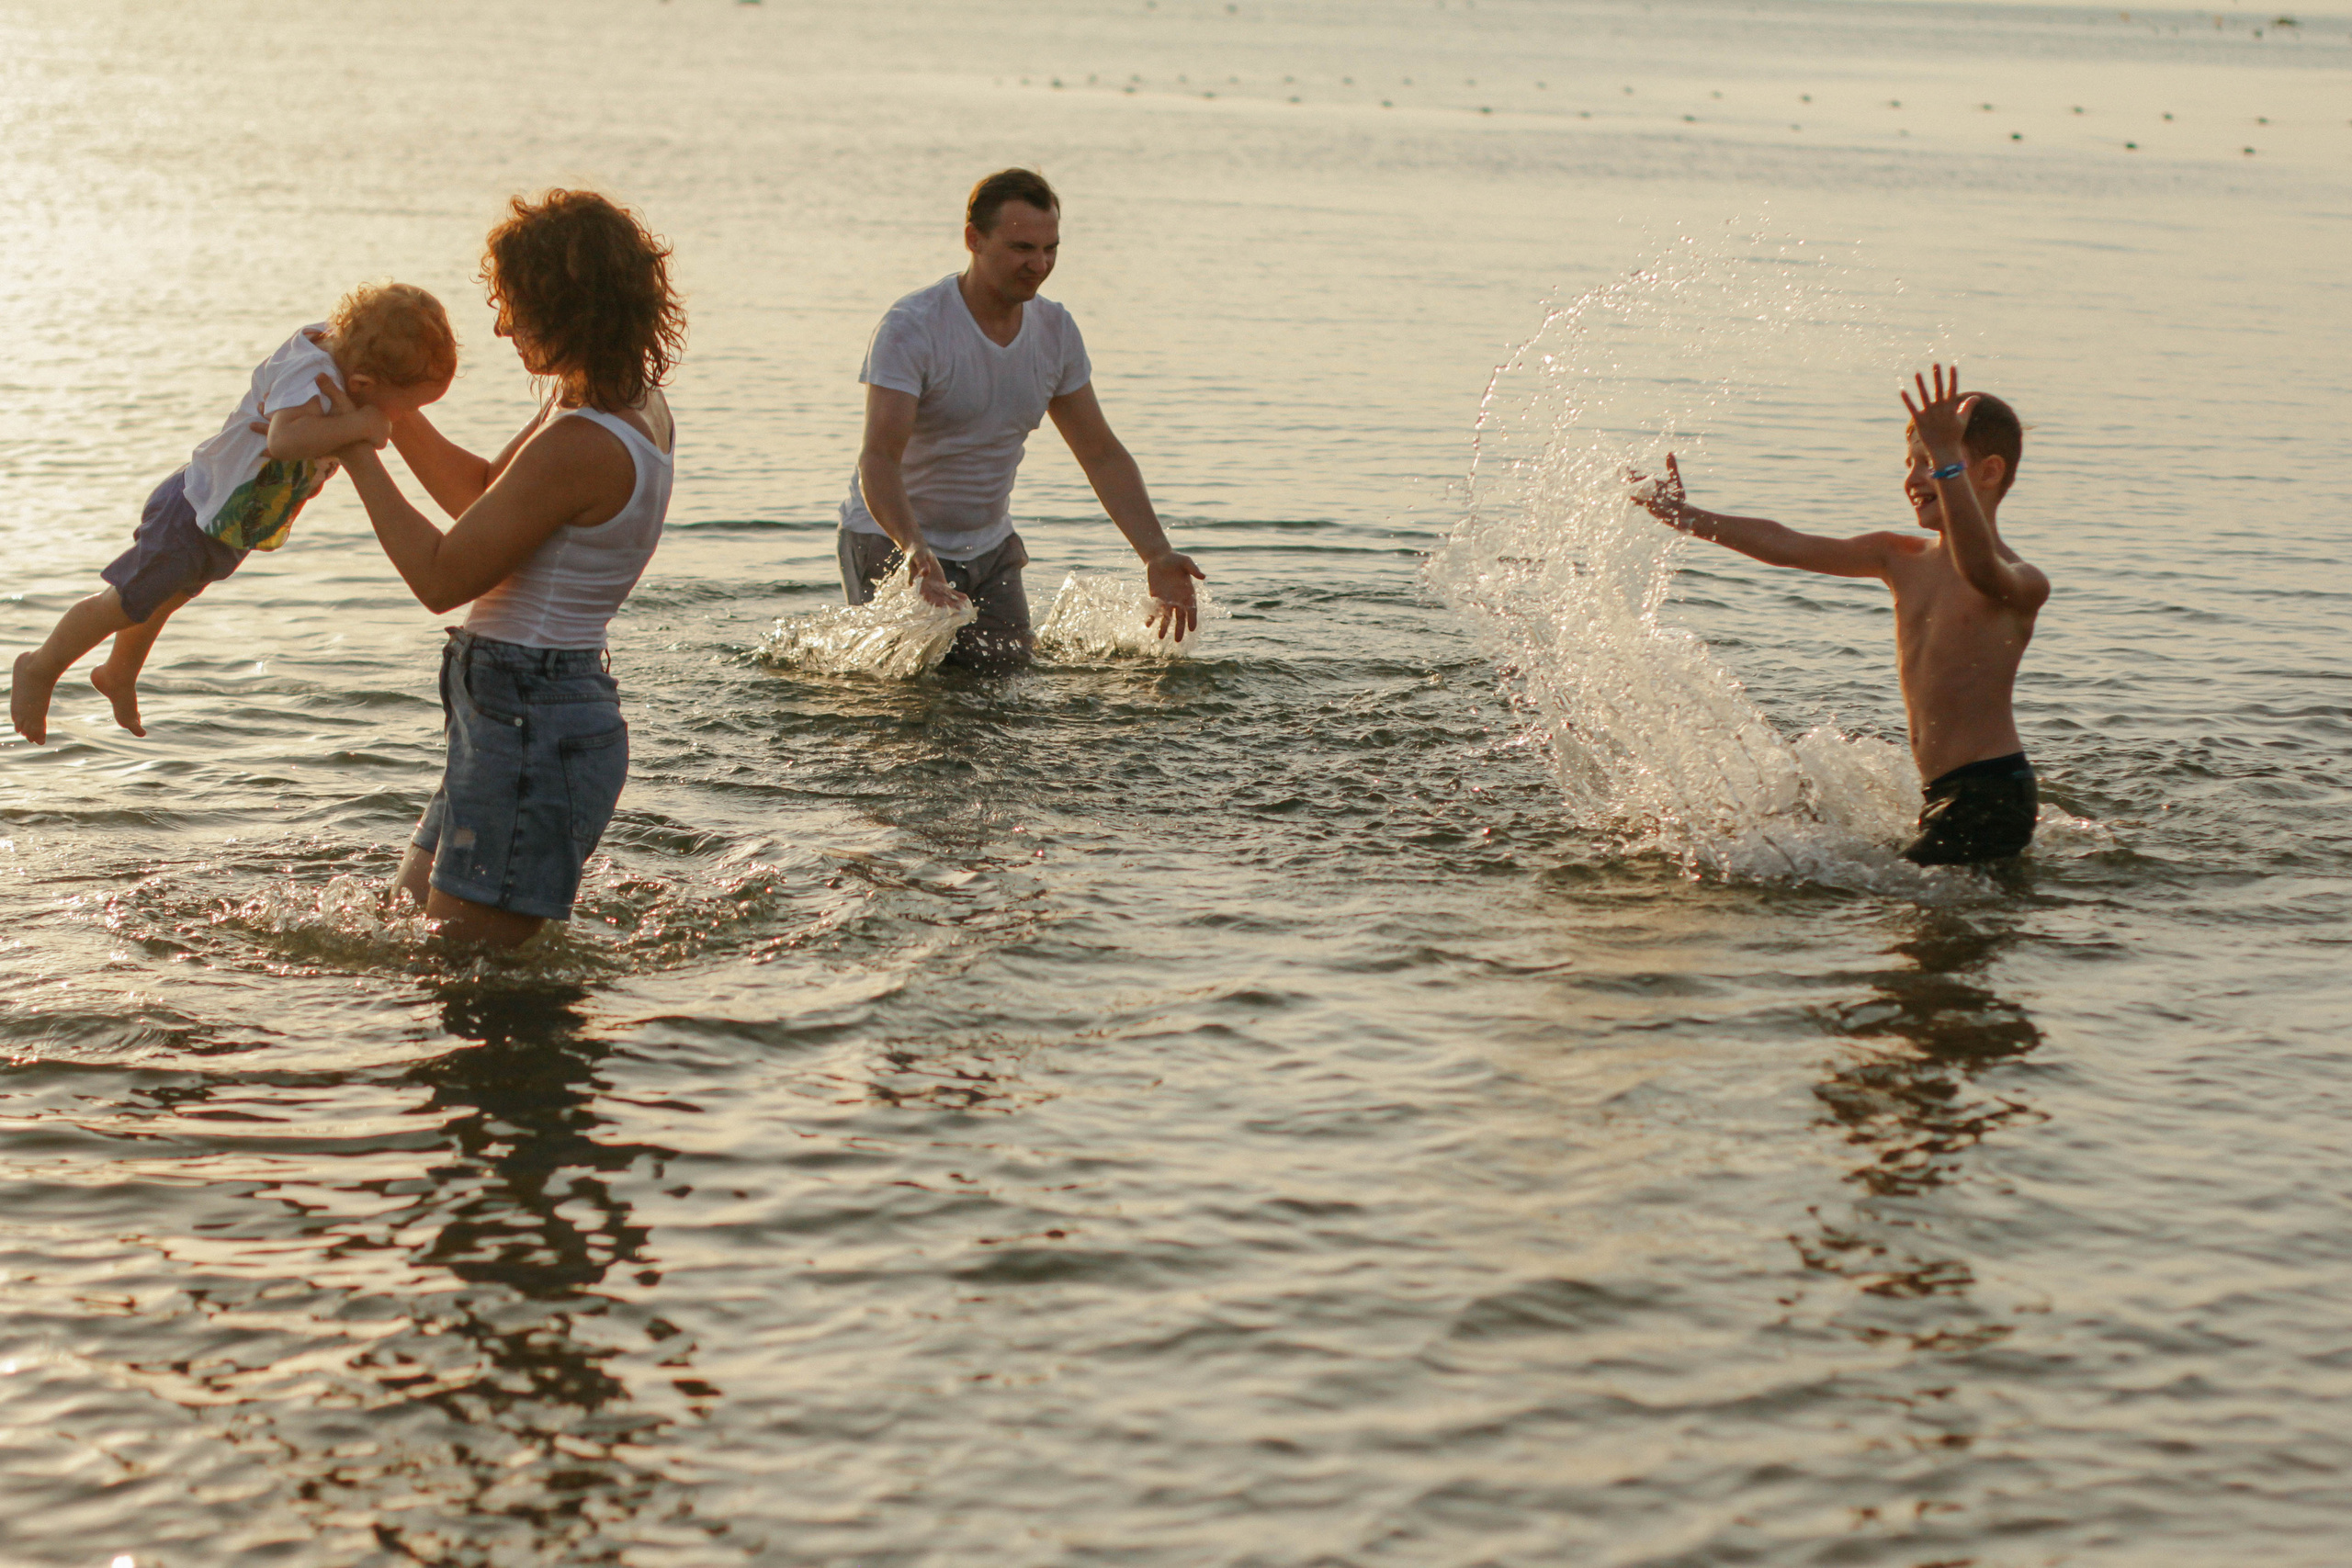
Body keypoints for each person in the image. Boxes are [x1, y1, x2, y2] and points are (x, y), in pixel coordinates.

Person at [330, 189, 684, 947]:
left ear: (566, 305)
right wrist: (391, 407)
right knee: (407, 929)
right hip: (515, 709)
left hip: (534, 713)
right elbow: (487, 496)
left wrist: (356, 449)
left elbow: (439, 576)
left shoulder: (584, 441)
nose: (502, 325)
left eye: (515, 305)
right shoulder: (606, 403)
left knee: (471, 981)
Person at [1632, 365, 2050, 866]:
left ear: (1986, 472)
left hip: (1992, 794)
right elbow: (1789, 545)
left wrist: (1944, 460)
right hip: (1942, 792)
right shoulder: (1900, 558)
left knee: (1910, 920)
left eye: (1933, 462)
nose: (1916, 478)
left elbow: (1978, 567)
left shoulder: (2022, 582)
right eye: (1912, 462)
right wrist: (1689, 518)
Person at [10, 286, 457, 744]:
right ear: (363, 384)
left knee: (166, 597)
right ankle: (41, 666)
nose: (407, 418)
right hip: (195, 508)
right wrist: (362, 425)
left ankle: (118, 673)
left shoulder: (347, 355)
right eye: (411, 408)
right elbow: (283, 440)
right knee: (124, 602)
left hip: (228, 520)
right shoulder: (312, 375)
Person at [838, 167, 1203, 669]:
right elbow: (877, 457)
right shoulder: (912, 329)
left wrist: (1156, 553)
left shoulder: (1055, 332)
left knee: (1010, 690)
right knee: (903, 709)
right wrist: (914, 548)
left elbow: (1101, 454)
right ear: (974, 239)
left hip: (990, 550)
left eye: (1050, 248)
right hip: (892, 542)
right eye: (1022, 249)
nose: (1039, 264)